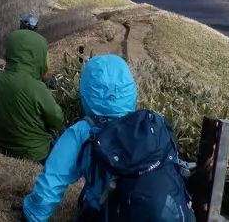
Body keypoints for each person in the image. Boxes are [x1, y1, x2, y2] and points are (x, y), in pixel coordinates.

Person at [23, 55, 194, 222]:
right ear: (129, 89)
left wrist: (33, 215)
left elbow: (52, 182)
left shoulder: (82, 132)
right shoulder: (151, 126)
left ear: (86, 91)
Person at [0, 29, 64, 162]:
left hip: (0, 145)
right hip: (35, 153)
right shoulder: (38, 88)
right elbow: (57, 120)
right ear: (37, 56)